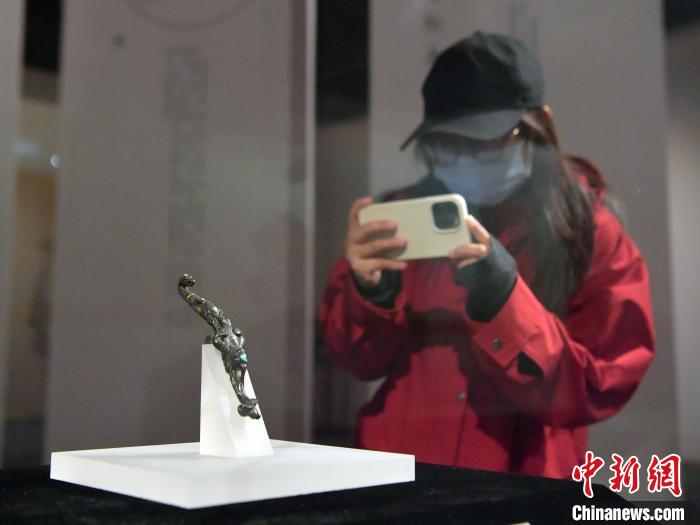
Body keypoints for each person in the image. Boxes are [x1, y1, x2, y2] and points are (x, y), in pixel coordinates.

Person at [319, 32, 654, 478]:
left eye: (484, 140)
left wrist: (504, 302)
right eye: (447, 143)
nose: (464, 158)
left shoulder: (587, 231)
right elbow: (356, 360)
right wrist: (370, 294)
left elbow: (601, 385)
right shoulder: (404, 220)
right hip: (402, 474)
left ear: (537, 126)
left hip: (524, 483)